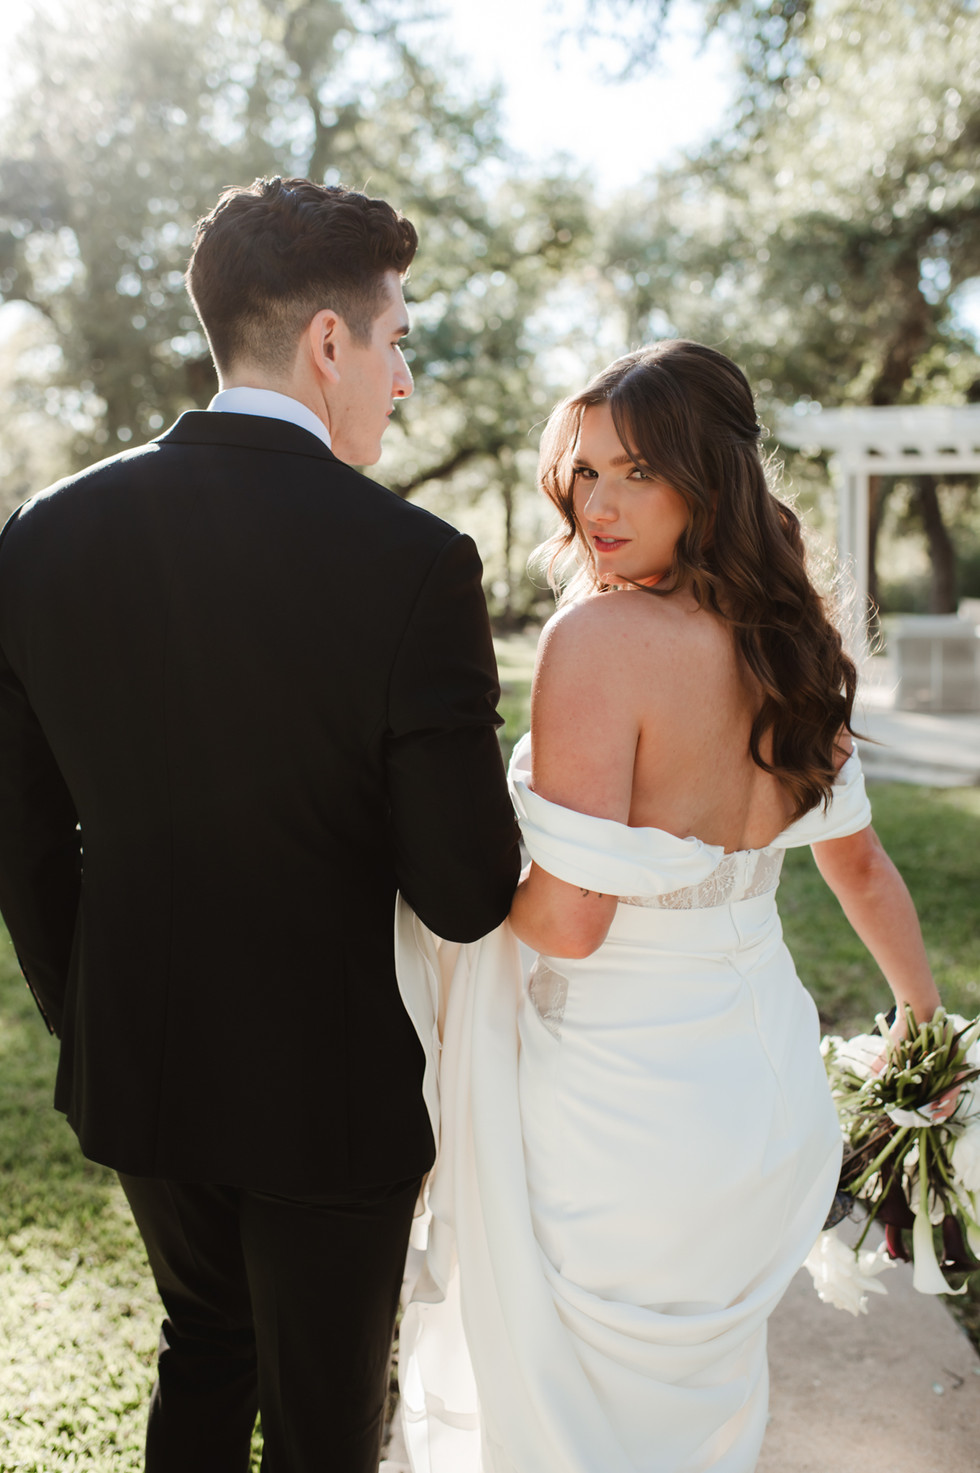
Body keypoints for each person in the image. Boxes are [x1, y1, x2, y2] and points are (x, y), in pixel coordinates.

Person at [0, 175, 521, 1473]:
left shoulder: (42, 539)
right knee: (323, 1421)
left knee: (205, 1346)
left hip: (142, 1060)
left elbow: (21, 840)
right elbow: (465, 891)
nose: (404, 378)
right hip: (331, 1095)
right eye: (398, 340)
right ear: (330, 341)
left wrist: (92, 1012)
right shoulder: (416, 564)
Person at [394, 340, 947, 1473]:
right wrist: (920, 1028)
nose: (598, 503)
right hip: (760, 1099)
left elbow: (571, 922)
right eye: (584, 472)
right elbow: (857, 870)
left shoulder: (597, 641)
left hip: (622, 1113)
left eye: (636, 471)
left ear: (708, 478)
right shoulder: (799, 641)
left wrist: (422, 864)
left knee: (585, 1422)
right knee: (694, 1415)